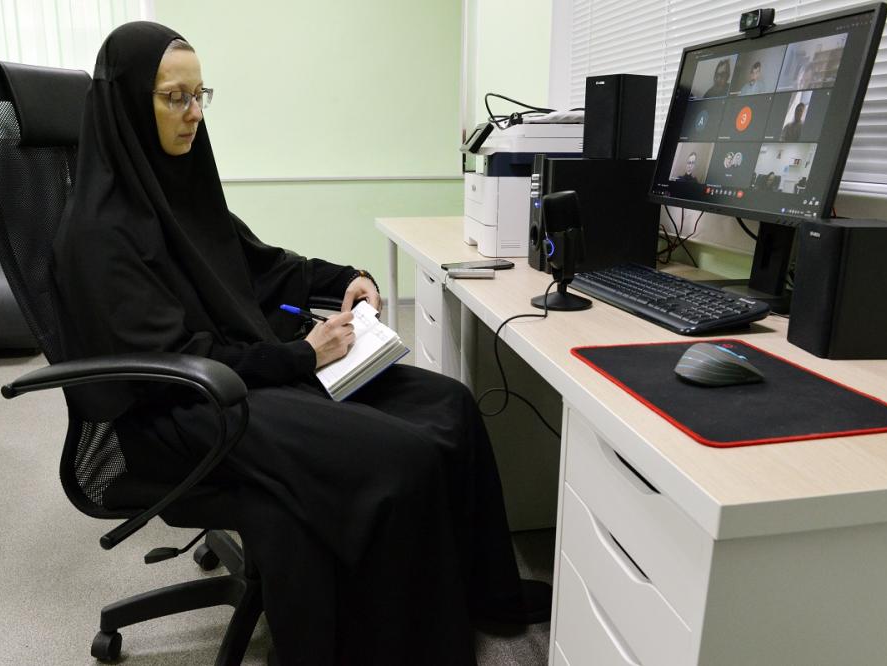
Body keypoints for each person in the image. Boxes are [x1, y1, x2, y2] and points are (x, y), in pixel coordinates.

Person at [53, 21, 547, 666]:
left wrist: (347, 278)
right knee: (397, 458)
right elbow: (171, 361)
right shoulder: (98, 234)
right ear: (126, 105)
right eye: (175, 97)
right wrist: (303, 355)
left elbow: (263, 267)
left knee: (449, 404)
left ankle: (484, 596)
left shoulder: (180, 190)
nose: (194, 112)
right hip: (180, 409)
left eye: (200, 95)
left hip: (244, 375)